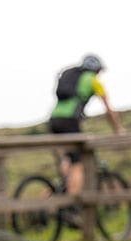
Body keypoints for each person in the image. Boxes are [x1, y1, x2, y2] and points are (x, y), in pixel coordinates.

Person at [49, 54, 123, 196]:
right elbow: (109, 110)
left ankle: (61, 191)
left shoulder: (72, 77)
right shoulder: (93, 81)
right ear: (95, 70)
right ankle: (72, 204)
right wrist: (118, 129)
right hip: (69, 121)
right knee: (78, 164)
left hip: (54, 120)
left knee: (68, 158)